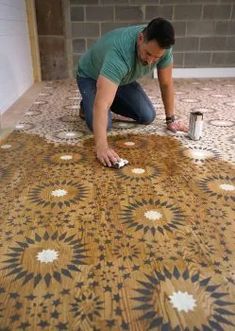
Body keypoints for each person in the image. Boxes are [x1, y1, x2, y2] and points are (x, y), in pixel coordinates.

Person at [76, 17, 188, 167]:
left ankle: (110, 91)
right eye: (148, 54)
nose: (150, 61)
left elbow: (166, 84)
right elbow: (102, 104)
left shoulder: (163, 47)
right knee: (104, 125)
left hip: (121, 79)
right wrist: (101, 147)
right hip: (90, 75)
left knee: (147, 116)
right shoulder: (119, 54)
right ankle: (86, 105)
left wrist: (170, 120)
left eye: (156, 58)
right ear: (140, 38)